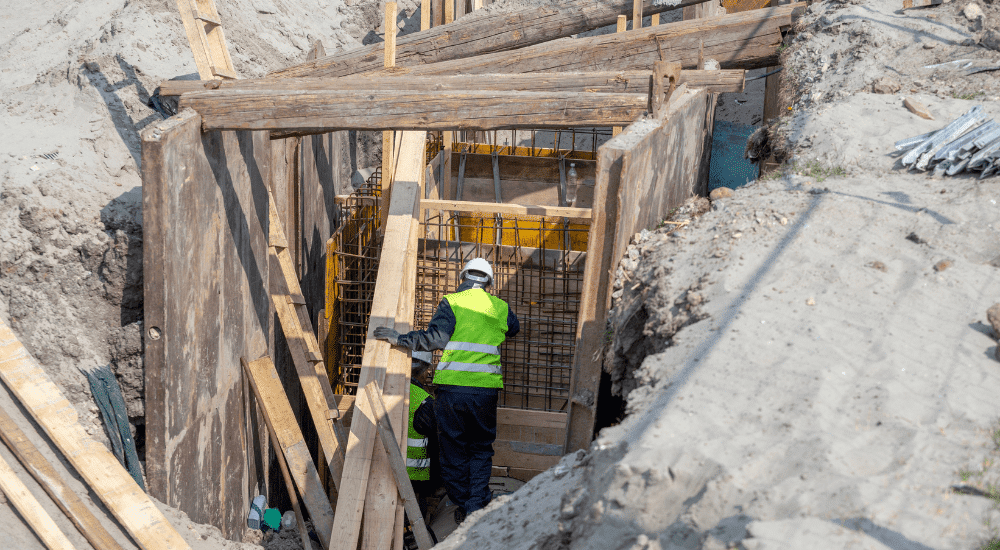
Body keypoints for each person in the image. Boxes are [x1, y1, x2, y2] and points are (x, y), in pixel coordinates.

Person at [374, 258, 519, 524]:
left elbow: (434, 340)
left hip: (452, 392)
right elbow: (514, 328)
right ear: (489, 282)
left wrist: (399, 339)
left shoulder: (451, 303)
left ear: (462, 278)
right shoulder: (500, 307)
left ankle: (463, 505)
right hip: (485, 393)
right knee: (481, 449)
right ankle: (476, 505)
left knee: (454, 451)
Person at [407, 351, 437, 522]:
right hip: (415, 477)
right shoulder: (424, 401)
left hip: (384, 470)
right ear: (424, 371)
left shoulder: (387, 389)